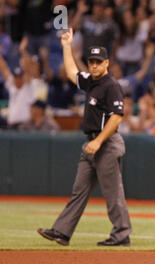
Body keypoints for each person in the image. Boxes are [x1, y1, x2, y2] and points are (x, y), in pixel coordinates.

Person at [37, 29, 132, 247]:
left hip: (106, 143)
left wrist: (98, 141)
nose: (95, 65)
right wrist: (66, 46)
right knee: (78, 190)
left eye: (99, 61)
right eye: (92, 62)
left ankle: (121, 235)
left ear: (107, 63)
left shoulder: (112, 86)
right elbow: (71, 73)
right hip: (91, 142)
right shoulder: (91, 82)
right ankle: (62, 232)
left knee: (112, 192)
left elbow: (116, 118)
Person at [0, 54, 35, 129]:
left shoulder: (28, 87)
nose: (18, 79)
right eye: (16, 77)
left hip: (25, 125)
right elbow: (4, 68)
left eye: (20, 77)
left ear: (23, 78)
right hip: (11, 125)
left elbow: (29, 69)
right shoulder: (12, 86)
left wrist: (23, 52)